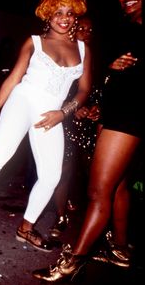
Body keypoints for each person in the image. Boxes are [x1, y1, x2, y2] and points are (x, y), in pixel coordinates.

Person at [0, 0, 91, 252]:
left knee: (51, 175)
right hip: (23, 100)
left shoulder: (82, 48)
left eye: (70, 13)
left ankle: (26, 227)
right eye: (58, 12)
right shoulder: (34, 42)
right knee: (1, 152)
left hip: (52, 113)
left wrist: (63, 113)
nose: (64, 17)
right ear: (48, 15)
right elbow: (13, 79)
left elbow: (83, 90)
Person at [33, 0, 142, 281]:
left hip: (129, 118)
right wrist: (112, 70)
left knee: (97, 191)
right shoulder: (129, 28)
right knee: (118, 186)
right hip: (115, 114)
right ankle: (120, 248)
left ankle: (72, 262)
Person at [50, 15, 101, 238]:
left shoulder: (95, 57)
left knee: (94, 173)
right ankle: (60, 216)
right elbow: (54, 90)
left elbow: (100, 89)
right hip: (66, 120)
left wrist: (98, 109)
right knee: (63, 171)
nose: (86, 33)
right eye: (82, 28)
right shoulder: (65, 52)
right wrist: (73, 109)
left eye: (90, 30)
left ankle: (94, 221)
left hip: (92, 125)